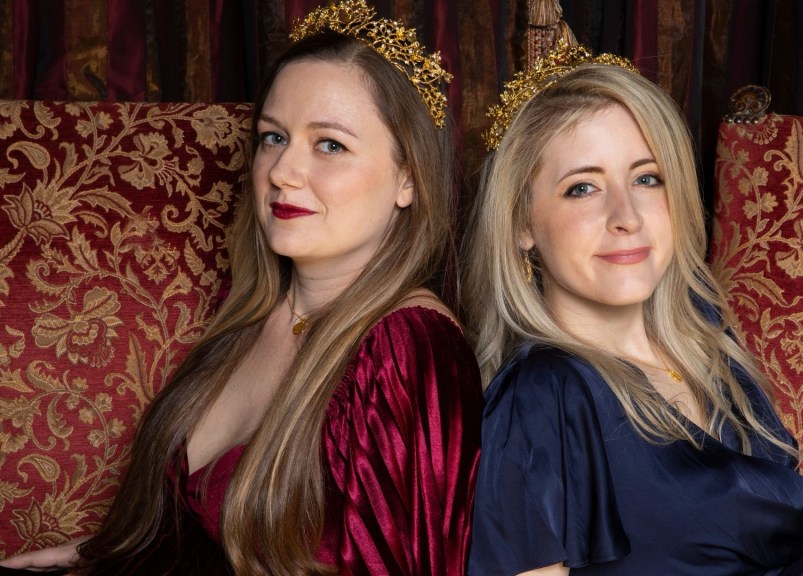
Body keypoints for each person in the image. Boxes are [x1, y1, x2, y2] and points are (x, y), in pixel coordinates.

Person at [0, 1, 481, 574]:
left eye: (330, 144)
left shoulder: (408, 346)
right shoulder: (253, 312)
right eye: (273, 137)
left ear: (409, 179)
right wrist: (103, 555)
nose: (281, 171)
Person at [462, 41, 803, 576]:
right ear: (521, 224)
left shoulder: (707, 345)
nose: (626, 215)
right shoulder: (543, 396)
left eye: (647, 178)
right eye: (582, 188)